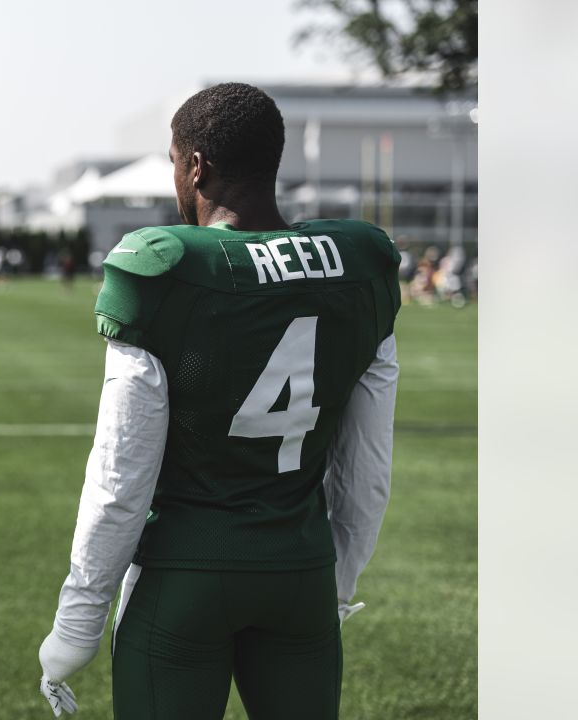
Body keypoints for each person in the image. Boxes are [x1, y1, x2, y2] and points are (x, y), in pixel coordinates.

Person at [36, 83, 400, 720]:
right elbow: (367, 466)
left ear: (196, 165)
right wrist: (334, 583)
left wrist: (78, 619)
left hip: (185, 575)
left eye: (175, 161)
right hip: (300, 573)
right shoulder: (361, 263)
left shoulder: (166, 269)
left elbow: (122, 474)